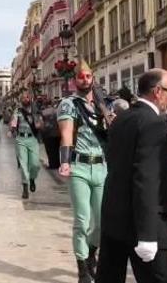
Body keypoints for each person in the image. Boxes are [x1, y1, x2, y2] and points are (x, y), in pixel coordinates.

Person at [96, 69, 167, 283]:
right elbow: (147, 177)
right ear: (158, 91)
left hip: (114, 218)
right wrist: (148, 234)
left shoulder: (123, 118)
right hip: (144, 222)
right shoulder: (153, 122)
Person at [57, 59, 108, 283]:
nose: (85, 80)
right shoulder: (68, 104)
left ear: (93, 77)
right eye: (81, 76)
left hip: (102, 166)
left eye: (88, 76)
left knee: (102, 221)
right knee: (82, 220)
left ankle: (90, 256)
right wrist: (65, 161)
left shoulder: (104, 104)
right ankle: (82, 269)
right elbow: (67, 133)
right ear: (74, 80)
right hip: (79, 166)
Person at [10, 92, 41, 199]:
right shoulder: (17, 111)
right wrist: (12, 129)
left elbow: (40, 123)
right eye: (23, 98)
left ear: (30, 98)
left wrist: (39, 124)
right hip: (21, 139)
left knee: (35, 164)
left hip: (33, 139)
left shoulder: (36, 110)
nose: (25, 99)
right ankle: (25, 187)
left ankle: (32, 178)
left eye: (27, 97)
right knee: (23, 164)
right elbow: (14, 122)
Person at [40, 99, 61, 169]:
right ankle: (58, 164)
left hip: (47, 134)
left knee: (50, 150)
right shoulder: (57, 111)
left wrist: (41, 132)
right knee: (57, 149)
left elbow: (41, 124)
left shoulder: (43, 112)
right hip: (57, 133)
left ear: (45, 105)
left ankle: (52, 164)